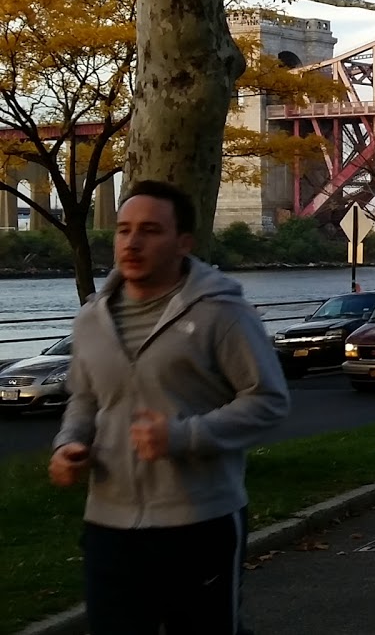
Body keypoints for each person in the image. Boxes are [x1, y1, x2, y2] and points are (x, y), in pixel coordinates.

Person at [49, 180, 291, 635]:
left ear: (183, 242)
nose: (132, 242)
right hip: (108, 526)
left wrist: (183, 436)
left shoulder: (222, 312)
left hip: (199, 524)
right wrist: (68, 445)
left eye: (150, 230)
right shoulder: (90, 319)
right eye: (123, 230)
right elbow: (84, 399)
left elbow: (269, 400)